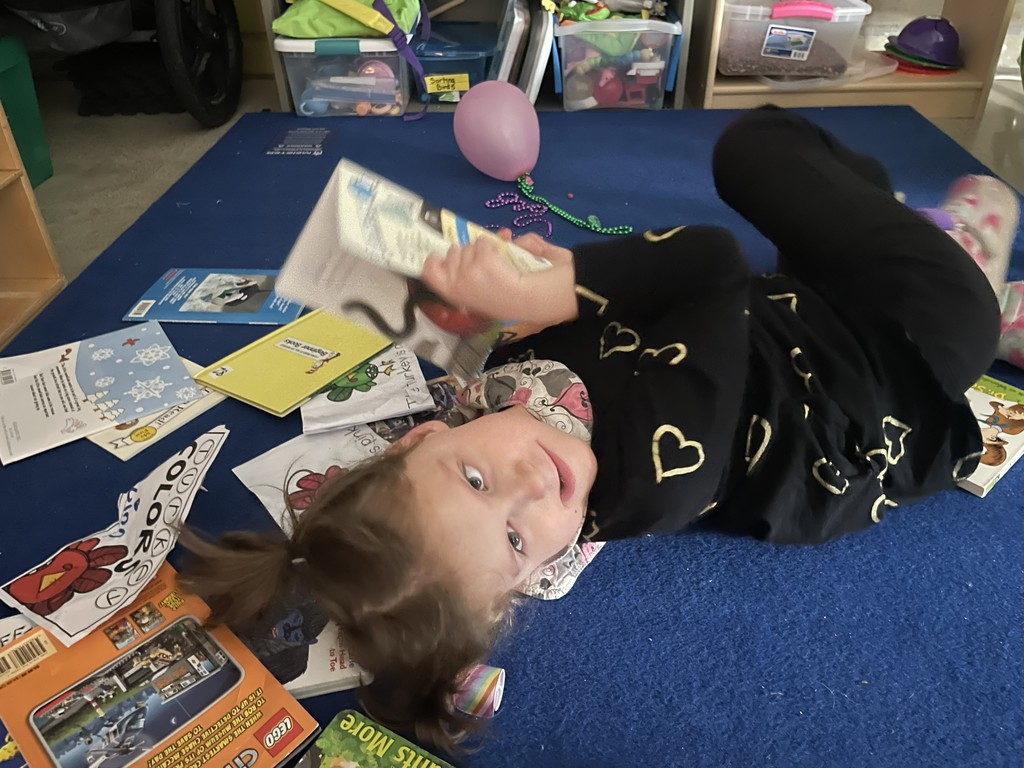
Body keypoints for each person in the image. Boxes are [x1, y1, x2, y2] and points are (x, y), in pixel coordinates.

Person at [181, 106, 1020, 753]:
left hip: (788, 324)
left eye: (476, 481)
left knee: (801, 216)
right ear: (531, 577)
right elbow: (707, 261)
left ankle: (886, 226)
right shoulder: (659, 472)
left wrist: (540, 285)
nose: (534, 488)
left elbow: (623, 319)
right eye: (515, 539)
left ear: (417, 440)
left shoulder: (488, 401)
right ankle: (975, 263)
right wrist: (568, 286)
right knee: (754, 150)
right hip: (902, 340)